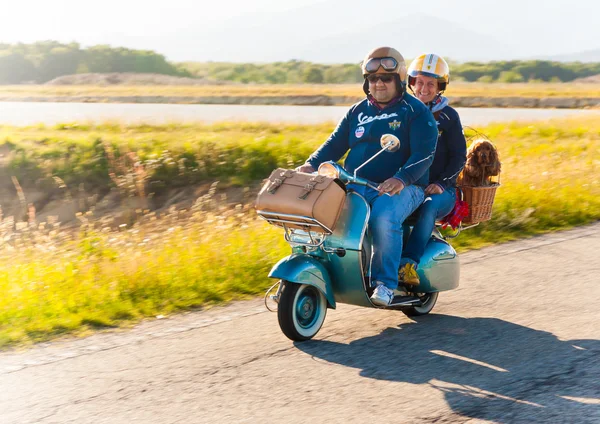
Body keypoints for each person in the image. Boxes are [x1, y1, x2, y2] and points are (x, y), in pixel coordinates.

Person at [296, 47, 438, 306]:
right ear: (366, 82)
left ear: (399, 81)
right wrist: (310, 164)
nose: (379, 83)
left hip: (405, 187)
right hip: (357, 183)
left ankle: (385, 283)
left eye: (386, 78)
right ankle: (334, 270)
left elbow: (424, 154)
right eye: (373, 79)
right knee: (323, 209)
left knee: (384, 215)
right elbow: (333, 145)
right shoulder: (357, 111)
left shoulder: (416, 112)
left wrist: (401, 178)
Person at [398, 53, 467, 286]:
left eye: (431, 84)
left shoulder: (448, 116)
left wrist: (441, 184)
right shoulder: (402, 112)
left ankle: (408, 264)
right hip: (409, 184)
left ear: (440, 87)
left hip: (441, 191)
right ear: (411, 83)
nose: (424, 88)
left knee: (428, 207)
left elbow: (460, 157)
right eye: (419, 82)